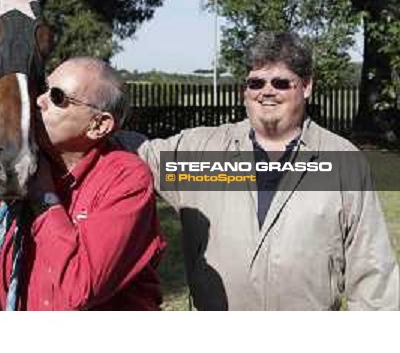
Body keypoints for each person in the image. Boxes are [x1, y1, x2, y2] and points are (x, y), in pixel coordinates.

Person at [120, 32, 399, 310]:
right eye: (256, 82)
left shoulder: (343, 161)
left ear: (307, 86)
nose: (267, 91)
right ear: (245, 90)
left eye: (280, 82)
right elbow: (137, 153)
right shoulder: (202, 151)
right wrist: (91, 114)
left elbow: (373, 276)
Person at [0, 57, 166, 310]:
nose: (38, 100)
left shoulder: (127, 179)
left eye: (57, 97)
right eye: (44, 88)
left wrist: (46, 198)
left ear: (98, 125)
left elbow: (78, 290)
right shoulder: (24, 162)